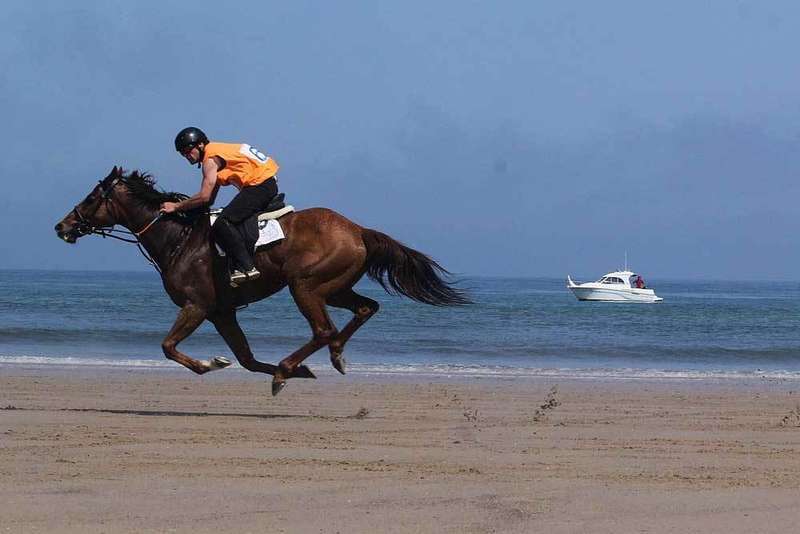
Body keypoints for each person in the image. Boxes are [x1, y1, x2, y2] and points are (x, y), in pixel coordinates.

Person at [160, 127, 280, 285]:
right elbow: (209, 200)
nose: (186, 155)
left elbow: (204, 196)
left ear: (201, 145)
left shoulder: (210, 159)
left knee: (223, 222)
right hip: (263, 184)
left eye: (188, 150)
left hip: (260, 185)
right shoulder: (217, 154)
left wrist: (176, 207)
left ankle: (247, 266)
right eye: (182, 153)